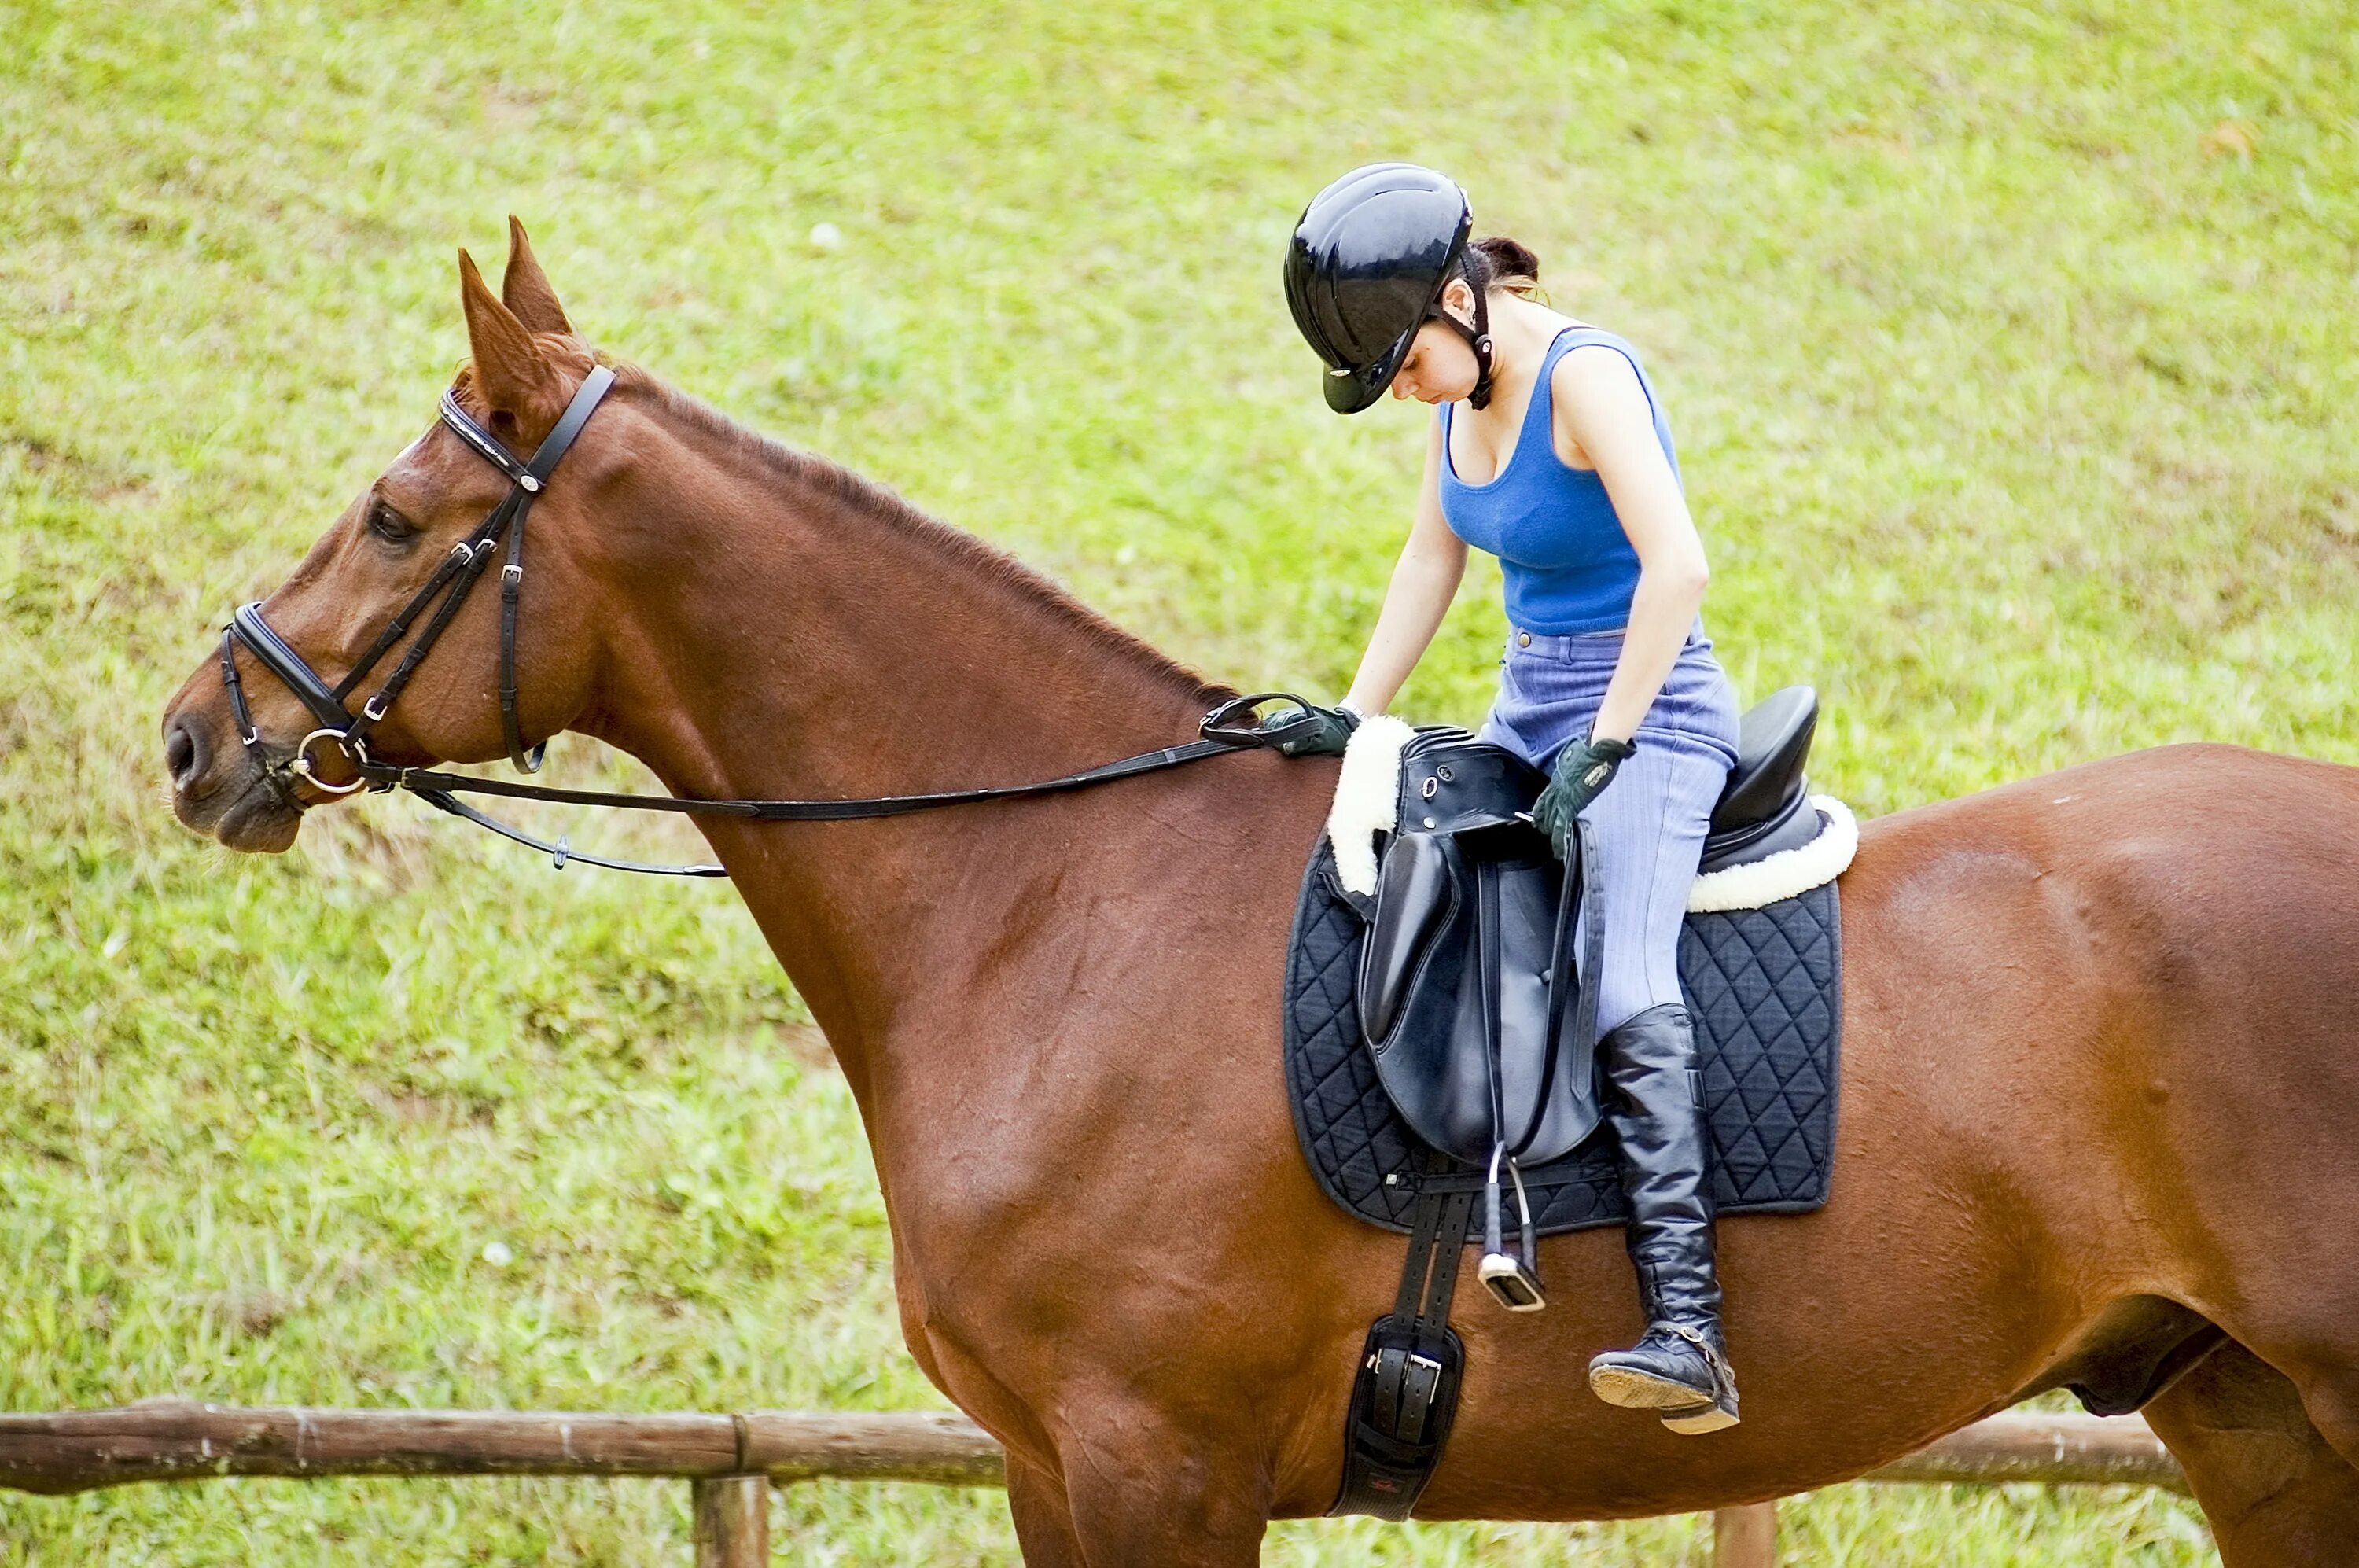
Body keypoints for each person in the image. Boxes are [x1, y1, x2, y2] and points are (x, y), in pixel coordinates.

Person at [1279, 163, 1743, 1434]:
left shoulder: (1584, 378)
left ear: (1455, 301)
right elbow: (1434, 556)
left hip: (1649, 709)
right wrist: (1357, 717)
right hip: (1527, 698)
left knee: (1626, 969)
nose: (1404, 395)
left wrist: (1609, 743)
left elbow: (1680, 568)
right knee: (1437, 895)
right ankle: (1482, 1210)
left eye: (1405, 367)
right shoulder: (1454, 389)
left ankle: (1691, 1325)